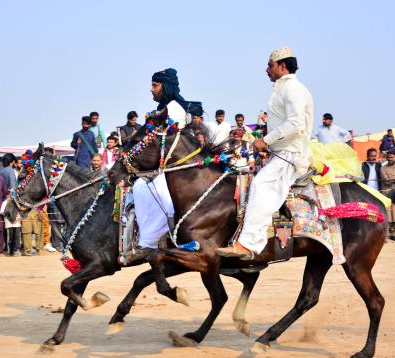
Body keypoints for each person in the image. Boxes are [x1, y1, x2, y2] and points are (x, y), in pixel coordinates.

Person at [217, 47, 314, 258]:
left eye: (270, 65)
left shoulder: (293, 89)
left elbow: (296, 123)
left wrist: (265, 140)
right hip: (279, 152)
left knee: (261, 186)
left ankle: (249, 245)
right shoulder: (283, 88)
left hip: (290, 155)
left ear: (282, 66)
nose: (266, 69)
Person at [130, 68, 200, 259]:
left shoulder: (174, 108)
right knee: (139, 187)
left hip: (177, 168)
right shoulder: (164, 108)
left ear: (165, 86)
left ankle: (176, 241)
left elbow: (164, 142)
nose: (151, 89)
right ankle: (147, 241)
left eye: (155, 85)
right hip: (165, 166)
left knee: (164, 196)